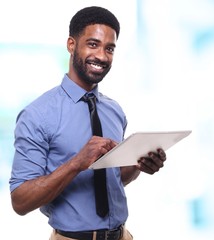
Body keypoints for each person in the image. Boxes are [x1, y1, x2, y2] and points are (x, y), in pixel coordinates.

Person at [9, 6, 166, 240]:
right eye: (93, 44)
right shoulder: (37, 115)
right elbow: (20, 201)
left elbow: (112, 180)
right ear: (72, 45)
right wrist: (76, 163)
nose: (102, 56)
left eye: (109, 48)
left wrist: (138, 166)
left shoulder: (115, 111)